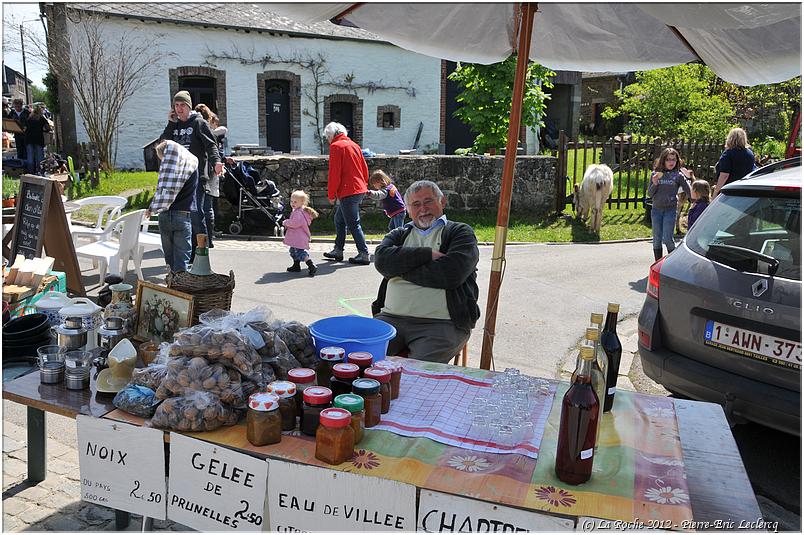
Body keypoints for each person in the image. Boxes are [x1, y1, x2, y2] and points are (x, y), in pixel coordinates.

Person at [372, 180, 480, 363]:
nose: (423, 208)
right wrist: (427, 254)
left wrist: (400, 268)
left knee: (418, 374)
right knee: (360, 360)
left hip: (441, 325)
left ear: (442, 202)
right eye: (416, 204)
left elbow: (451, 274)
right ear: (407, 209)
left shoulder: (459, 232)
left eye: (428, 201)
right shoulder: (399, 234)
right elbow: (382, 261)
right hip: (389, 319)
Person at [160, 91, 222, 258]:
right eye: (176, 105)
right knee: (181, 216)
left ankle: (201, 253)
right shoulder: (174, 126)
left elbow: (211, 145)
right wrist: (170, 123)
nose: (179, 109)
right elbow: (162, 145)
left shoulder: (198, 123)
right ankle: (186, 254)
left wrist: (217, 161)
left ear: (189, 106)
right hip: (177, 180)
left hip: (196, 178)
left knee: (196, 214)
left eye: (183, 105)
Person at [321, 122, 371, 265]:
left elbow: (334, 174)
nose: (327, 140)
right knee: (340, 219)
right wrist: (364, 184)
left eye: (327, 137)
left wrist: (331, 194)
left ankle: (363, 253)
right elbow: (364, 168)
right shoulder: (354, 145)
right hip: (358, 188)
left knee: (353, 223)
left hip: (348, 190)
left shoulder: (336, 147)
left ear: (331, 135)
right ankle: (338, 250)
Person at [147, 140, 199, 272]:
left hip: (164, 216)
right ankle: (180, 289)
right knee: (182, 260)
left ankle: (171, 286)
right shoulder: (191, 166)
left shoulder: (168, 174)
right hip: (182, 215)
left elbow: (162, 191)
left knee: (169, 259)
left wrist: (152, 208)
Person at [648, 148, 692, 261]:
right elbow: (650, 194)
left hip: (670, 210)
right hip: (656, 210)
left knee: (668, 238)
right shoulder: (655, 174)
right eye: (668, 159)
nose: (671, 162)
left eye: (674, 159)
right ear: (663, 160)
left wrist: (689, 178)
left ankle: (672, 263)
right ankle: (657, 264)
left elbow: (690, 192)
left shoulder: (678, 176)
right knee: (657, 239)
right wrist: (654, 183)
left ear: (677, 161)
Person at [193, 103, 225, 239]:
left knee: (203, 207)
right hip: (210, 171)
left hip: (205, 170)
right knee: (207, 206)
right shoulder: (210, 130)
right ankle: (209, 237)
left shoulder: (200, 128)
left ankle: (205, 238)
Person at [282, 190, 319, 277]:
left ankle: (311, 265)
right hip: (297, 237)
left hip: (298, 237)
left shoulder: (298, 213)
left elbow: (295, 223)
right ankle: (296, 265)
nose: (292, 203)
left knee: (300, 252)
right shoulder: (300, 210)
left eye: (295, 202)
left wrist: (286, 222)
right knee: (293, 251)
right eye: (291, 201)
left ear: (302, 202)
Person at [713, 127, 755, 198]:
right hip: (745, 189)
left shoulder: (728, 153)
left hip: (730, 191)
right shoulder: (750, 153)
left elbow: (724, 175)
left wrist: (716, 191)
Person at [24, 103, 51, 174]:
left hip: (29, 139)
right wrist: (44, 130)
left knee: (30, 157)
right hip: (38, 139)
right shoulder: (42, 118)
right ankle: (40, 171)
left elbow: (25, 128)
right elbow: (48, 128)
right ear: (41, 112)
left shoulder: (29, 118)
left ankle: (30, 172)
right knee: (39, 157)